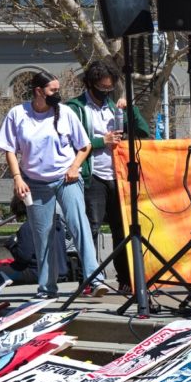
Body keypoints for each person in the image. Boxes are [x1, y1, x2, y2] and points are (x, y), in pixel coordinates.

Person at [0, 71, 104, 299]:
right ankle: (47, 288)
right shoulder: (18, 114)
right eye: (53, 90)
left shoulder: (65, 113)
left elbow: (84, 146)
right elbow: (9, 150)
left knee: (78, 225)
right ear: (38, 91)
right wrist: (17, 177)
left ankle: (95, 280)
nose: (58, 94)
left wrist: (74, 167)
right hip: (35, 183)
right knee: (42, 234)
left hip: (66, 179)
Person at [65, 58, 150, 294]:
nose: (106, 92)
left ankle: (125, 277)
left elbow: (143, 131)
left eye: (109, 88)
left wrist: (129, 108)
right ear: (90, 85)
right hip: (93, 176)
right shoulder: (75, 108)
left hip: (119, 176)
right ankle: (91, 279)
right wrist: (102, 141)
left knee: (121, 229)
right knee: (91, 227)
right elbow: (70, 143)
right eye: (102, 89)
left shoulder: (114, 107)